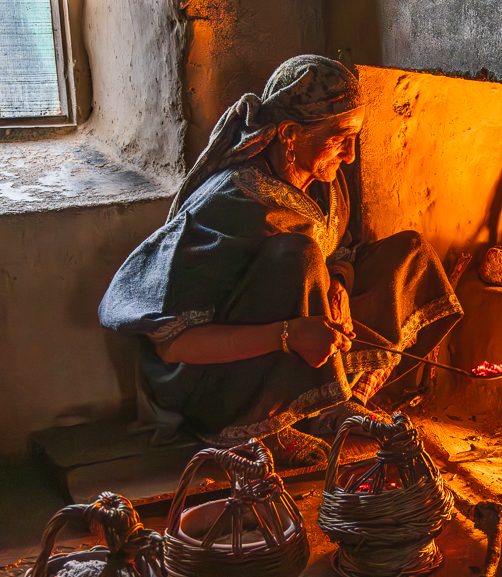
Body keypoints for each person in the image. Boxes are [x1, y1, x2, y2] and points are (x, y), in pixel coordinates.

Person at [98, 55, 462, 465]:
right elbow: (175, 345)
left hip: (301, 334)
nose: (350, 155)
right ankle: (264, 428)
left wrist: (337, 282)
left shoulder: (323, 179)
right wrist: (288, 334)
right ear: (289, 134)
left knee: (408, 252)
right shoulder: (231, 204)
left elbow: (338, 248)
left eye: (355, 137)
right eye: (340, 137)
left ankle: (334, 402)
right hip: (220, 382)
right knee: (298, 257)